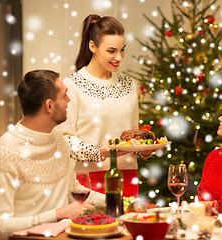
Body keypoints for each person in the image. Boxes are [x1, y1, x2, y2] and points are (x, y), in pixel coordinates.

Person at [0, 70, 105, 240]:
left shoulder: (59, 140)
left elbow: (73, 190)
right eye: (64, 96)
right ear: (49, 106)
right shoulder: (4, 152)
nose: (69, 100)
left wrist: (117, 200)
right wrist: (57, 214)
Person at [57, 14, 151, 197]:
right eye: (111, 51)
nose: (119, 57)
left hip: (128, 177)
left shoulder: (129, 85)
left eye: (122, 50)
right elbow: (66, 141)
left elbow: (133, 133)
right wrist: (101, 152)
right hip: (87, 179)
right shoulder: (72, 85)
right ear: (92, 46)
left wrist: (144, 151)